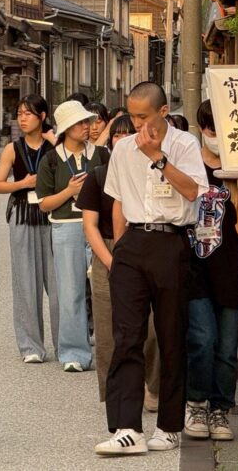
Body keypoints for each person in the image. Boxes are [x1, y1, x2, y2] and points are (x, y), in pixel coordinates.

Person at [95, 82, 208, 456]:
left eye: (142, 115)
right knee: (126, 335)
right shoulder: (122, 148)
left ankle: (170, 425)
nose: (135, 122)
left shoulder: (184, 144)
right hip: (132, 242)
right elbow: (117, 201)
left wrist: (158, 157)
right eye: (131, 115)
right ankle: (127, 427)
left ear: (162, 112)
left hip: (171, 241)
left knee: (171, 333)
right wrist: (119, 248)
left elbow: (193, 191)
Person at [75, 115, 160, 407]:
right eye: (116, 135)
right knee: (108, 329)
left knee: (151, 326)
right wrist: (112, 262)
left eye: (129, 134)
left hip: (142, 247)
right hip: (106, 252)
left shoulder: (151, 171)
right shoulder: (98, 175)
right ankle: (115, 394)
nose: (121, 140)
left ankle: (151, 385)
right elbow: (90, 226)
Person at [183, 100, 238, 441]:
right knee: (202, 338)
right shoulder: (190, 166)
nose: (216, 137)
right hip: (195, 265)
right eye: (210, 129)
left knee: (227, 346)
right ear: (202, 130)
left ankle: (221, 409)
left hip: (232, 267)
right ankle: (197, 403)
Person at [36, 100, 110, 373]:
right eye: (80, 123)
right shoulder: (51, 159)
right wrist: (68, 192)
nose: (87, 126)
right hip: (65, 227)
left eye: (87, 121)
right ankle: (73, 353)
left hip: (99, 227)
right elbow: (43, 203)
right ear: (66, 128)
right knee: (71, 292)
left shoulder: (102, 154)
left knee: (103, 290)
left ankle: (107, 351)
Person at [0, 95, 58, 364]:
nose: (22, 118)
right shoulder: (13, 148)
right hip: (22, 213)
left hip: (53, 214)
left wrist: (56, 139)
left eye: (28, 113)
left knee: (58, 283)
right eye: (19, 113)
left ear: (42, 117)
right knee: (25, 282)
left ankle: (66, 344)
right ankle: (31, 346)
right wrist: (23, 183)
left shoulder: (54, 147)